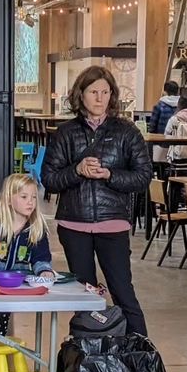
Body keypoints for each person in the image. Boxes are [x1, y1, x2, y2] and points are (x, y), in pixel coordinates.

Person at [42, 66, 152, 336]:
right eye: (94, 92)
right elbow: (49, 178)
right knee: (84, 297)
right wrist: (77, 171)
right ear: (81, 95)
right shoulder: (66, 133)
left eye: (105, 92)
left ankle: (142, 356)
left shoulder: (127, 132)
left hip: (112, 224)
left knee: (123, 293)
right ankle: (86, 360)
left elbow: (143, 177)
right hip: (74, 224)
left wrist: (110, 174)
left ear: (112, 95)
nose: (100, 98)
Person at [0, 173, 55, 340]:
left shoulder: (36, 230)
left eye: (34, 197)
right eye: (24, 196)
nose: (31, 201)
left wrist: (44, 271)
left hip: (17, 287)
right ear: (9, 199)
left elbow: (41, 258)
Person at [149, 79, 182, 162]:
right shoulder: (182, 106)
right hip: (179, 145)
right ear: (177, 91)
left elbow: (152, 127)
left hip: (161, 143)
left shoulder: (159, 106)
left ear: (165, 91)